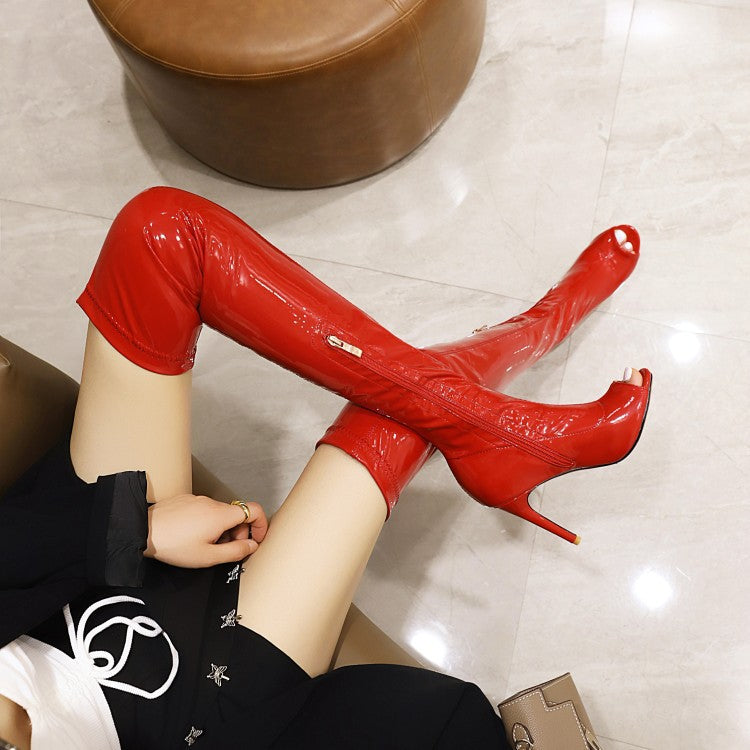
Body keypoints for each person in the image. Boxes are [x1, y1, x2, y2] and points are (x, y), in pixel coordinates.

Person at [0, 187, 651, 749]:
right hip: (195, 718)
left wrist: (132, 530)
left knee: (162, 236)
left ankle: (512, 382)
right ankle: (521, 373)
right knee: (398, 420)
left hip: (41, 580)